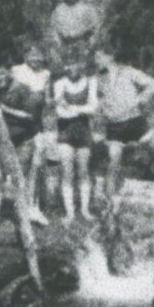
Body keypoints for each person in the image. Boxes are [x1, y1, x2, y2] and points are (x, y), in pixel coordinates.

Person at [0, 58, 50, 235]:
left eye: (2, 73)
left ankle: (25, 219)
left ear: (9, 72)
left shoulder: (22, 89)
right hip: (0, 139)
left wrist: (4, 108)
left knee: (19, 179)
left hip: (23, 139)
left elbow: (30, 117)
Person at [93, 45, 154, 204]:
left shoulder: (127, 72)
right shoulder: (98, 78)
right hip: (114, 126)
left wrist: (138, 100)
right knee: (114, 160)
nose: (96, 61)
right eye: (95, 58)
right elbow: (97, 102)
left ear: (110, 57)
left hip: (134, 121)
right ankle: (110, 201)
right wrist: (100, 113)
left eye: (99, 57)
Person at [50, 52, 99, 221]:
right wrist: (81, 109)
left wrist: (71, 107)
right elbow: (59, 112)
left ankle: (84, 210)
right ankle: (69, 212)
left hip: (84, 131)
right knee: (67, 171)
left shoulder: (91, 81)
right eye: (69, 64)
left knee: (83, 170)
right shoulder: (59, 83)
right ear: (65, 67)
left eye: (76, 64)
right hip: (65, 131)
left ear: (82, 65)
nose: (73, 68)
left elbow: (93, 108)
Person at [13, 41, 57, 218]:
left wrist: (52, 104)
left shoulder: (46, 74)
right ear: (25, 56)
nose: (36, 59)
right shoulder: (16, 70)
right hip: (17, 124)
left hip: (37, 125)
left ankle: (34, 205)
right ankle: (18, 204)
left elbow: (47, 99)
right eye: (32, 56)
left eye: (39, 56)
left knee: (37, 164)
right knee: (19, 165)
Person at [48, 0, 102, 66]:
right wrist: (58, 46)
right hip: (65, 45)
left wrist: (90, 46)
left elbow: (95, 28)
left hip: (83, 44)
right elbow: (54, 29)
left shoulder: (88, 9)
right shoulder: (58, 10)